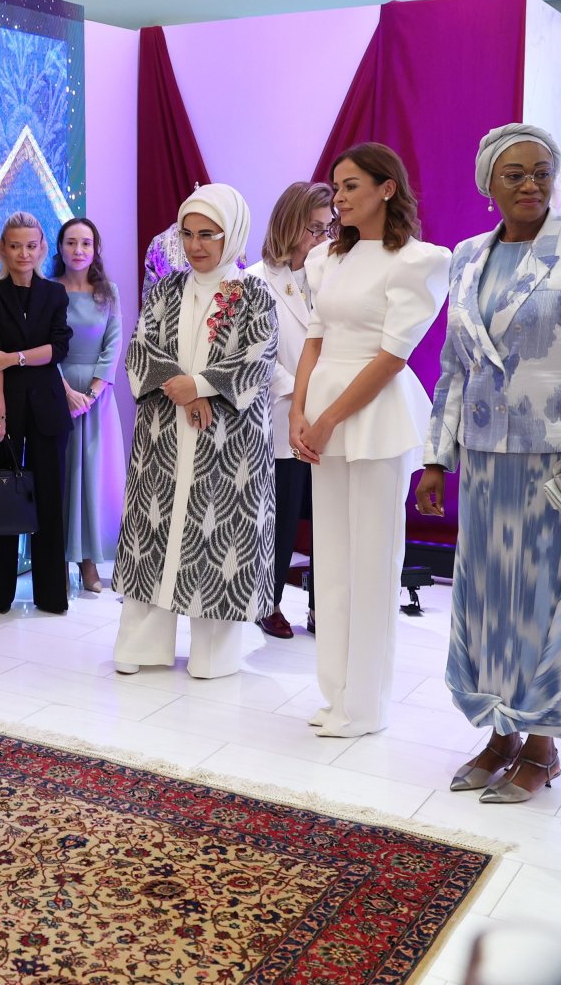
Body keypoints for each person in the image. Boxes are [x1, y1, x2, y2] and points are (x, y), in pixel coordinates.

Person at [415, 124, 561, 803]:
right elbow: (454, 367)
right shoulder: (467, 256)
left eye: (542, 171)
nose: (532, 184)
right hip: (484, 455)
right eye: (515, 174)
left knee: (550, 600)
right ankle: (500, 730)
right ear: (489, 183)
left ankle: (542, 745)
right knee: (486, 602)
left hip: (559, 458)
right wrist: (435, 458)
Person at [291, 143, 451, 738]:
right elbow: (312, 339)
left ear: (387, 188)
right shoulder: (326, 260)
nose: (339, 196)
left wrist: (329, 417)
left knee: (373, 561)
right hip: (323, 408)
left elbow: (392, 356)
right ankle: (335, 693)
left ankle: (366, 705)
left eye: (352, 185)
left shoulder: (416, 259)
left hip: (372, 410)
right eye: (336, 186)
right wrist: (301, 412)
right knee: (332, 559)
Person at [112, 185, 277, 678]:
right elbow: (141, 349)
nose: (196, 245)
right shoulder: (166, 289)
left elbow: (258, 357)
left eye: (208, 234)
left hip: (227, 441)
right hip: (163, 434)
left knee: (219, 536)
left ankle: (215, 656)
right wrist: (181, 387)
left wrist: (202, 386)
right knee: (154, 534)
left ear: (233, 235)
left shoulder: (253, 292)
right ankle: (141, 646)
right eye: (187, 234)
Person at [0, 212, 74, 615]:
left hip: (47, 409)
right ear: (2, 249)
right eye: (15, 245)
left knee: (50, 500)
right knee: (0, 498)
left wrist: (15, 357)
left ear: (42, 248)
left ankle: (51, 595)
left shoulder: (55, 295)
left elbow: (57, 349)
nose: (23, 253)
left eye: (31, 245)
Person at [246, 182, 334, 639]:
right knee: (279, 520)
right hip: (281, 417)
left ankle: (324, 606)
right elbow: (257, 357)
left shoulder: (331, 275)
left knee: (328, 517)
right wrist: (300, 393)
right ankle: (270, 601)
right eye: (314, 229)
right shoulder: (255, 281)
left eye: (327, 228)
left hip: (329, 415)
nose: (323, 238)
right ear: (288, 225)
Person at [50, 217, 124, 593]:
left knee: (93, 481)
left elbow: (114, 345)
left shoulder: (108, 291)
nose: (78, 250)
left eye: (86, 243)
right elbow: (44, 344)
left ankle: (90, 564)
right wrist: (64, 391)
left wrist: (92, 394)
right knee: (60, 480)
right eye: (71, 242)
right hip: (54, 391)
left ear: (95, 249)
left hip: (98, 398)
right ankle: (56, 564)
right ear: (60, 247)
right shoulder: (47, 290)